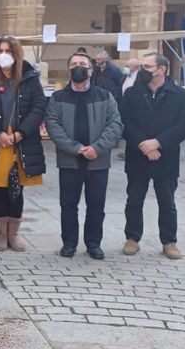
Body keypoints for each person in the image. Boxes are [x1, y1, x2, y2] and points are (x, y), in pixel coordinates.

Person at [0, 37, 47, 252]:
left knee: (17, 188)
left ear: (16, 54)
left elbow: (38, 106)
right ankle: (0, 234)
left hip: (21, 141)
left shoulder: (29, 76)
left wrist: (21, 133)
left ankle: (14, 233)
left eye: (8, 50)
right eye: (0, 50)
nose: (4, 54)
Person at [45, 52, 123, 260]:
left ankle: (93, 243)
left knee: (96, 205)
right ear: (68, 69)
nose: (78, 67)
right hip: (70, 160)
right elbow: (53, 125)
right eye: (74, 64)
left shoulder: (105, 96)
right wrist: (76, 148)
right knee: (68, 205)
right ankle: (69, 243)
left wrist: (97, 148)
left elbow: (115, 124)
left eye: (82, 64)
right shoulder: (57, 97)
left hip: (98, 161)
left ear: (91, 69)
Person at [121, 52, 185, 260]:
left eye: (147, 67)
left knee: (167, 201)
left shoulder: (179, 95)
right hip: (137, 154)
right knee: (134, 200)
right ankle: (132, 238)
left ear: (161, 69)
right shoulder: (132, 93)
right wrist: (143, 144)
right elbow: (124, 121)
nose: (142, 71)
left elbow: (184, 124)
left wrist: (158, 142)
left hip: (167, 156)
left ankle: (169, 241)